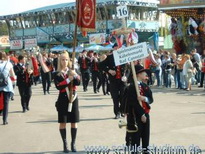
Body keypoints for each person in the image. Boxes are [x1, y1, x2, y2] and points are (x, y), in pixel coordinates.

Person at [54, 51, 80, 153]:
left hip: (73, 98)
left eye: (66, 59)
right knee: (63, 122)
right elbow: (58, 86)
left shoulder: (73, 70)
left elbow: (78, 82)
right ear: (59, 61)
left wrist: (75, 75)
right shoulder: (57, 73)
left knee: (74, 121)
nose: (64, 61)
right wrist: (68, 80)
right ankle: (65, 144)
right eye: (62, 59)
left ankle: (73, 143)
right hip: (63, 99)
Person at [126, 64, 153, 153]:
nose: (145, 73)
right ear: (138, 74)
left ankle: (145, 150)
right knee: (135, 137)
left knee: (146, 135)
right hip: (135, 116)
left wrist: (144, 98)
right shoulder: (131, 87)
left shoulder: (145, 86)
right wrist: (141, 114)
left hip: (146, 114)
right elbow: (133, 103)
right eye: (143, 72)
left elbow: (151, 99)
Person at [99, 43, 129, 119]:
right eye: (115, 48)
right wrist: (109, 70)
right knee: (115, 98)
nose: (117, 49)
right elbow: (100, 65)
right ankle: (117, 113)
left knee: (123, 97)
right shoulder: (110, 57)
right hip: (113, 81)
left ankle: (122, 111)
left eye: (118, 48)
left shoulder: (124, 57)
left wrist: (126, 76)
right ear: (113, 49)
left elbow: (129, 69)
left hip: (122, 81)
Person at [0, 51, 16, 125]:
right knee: (6, 102)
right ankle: (5, 119)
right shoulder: (8, 64)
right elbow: (12, 75)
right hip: (6, 84)